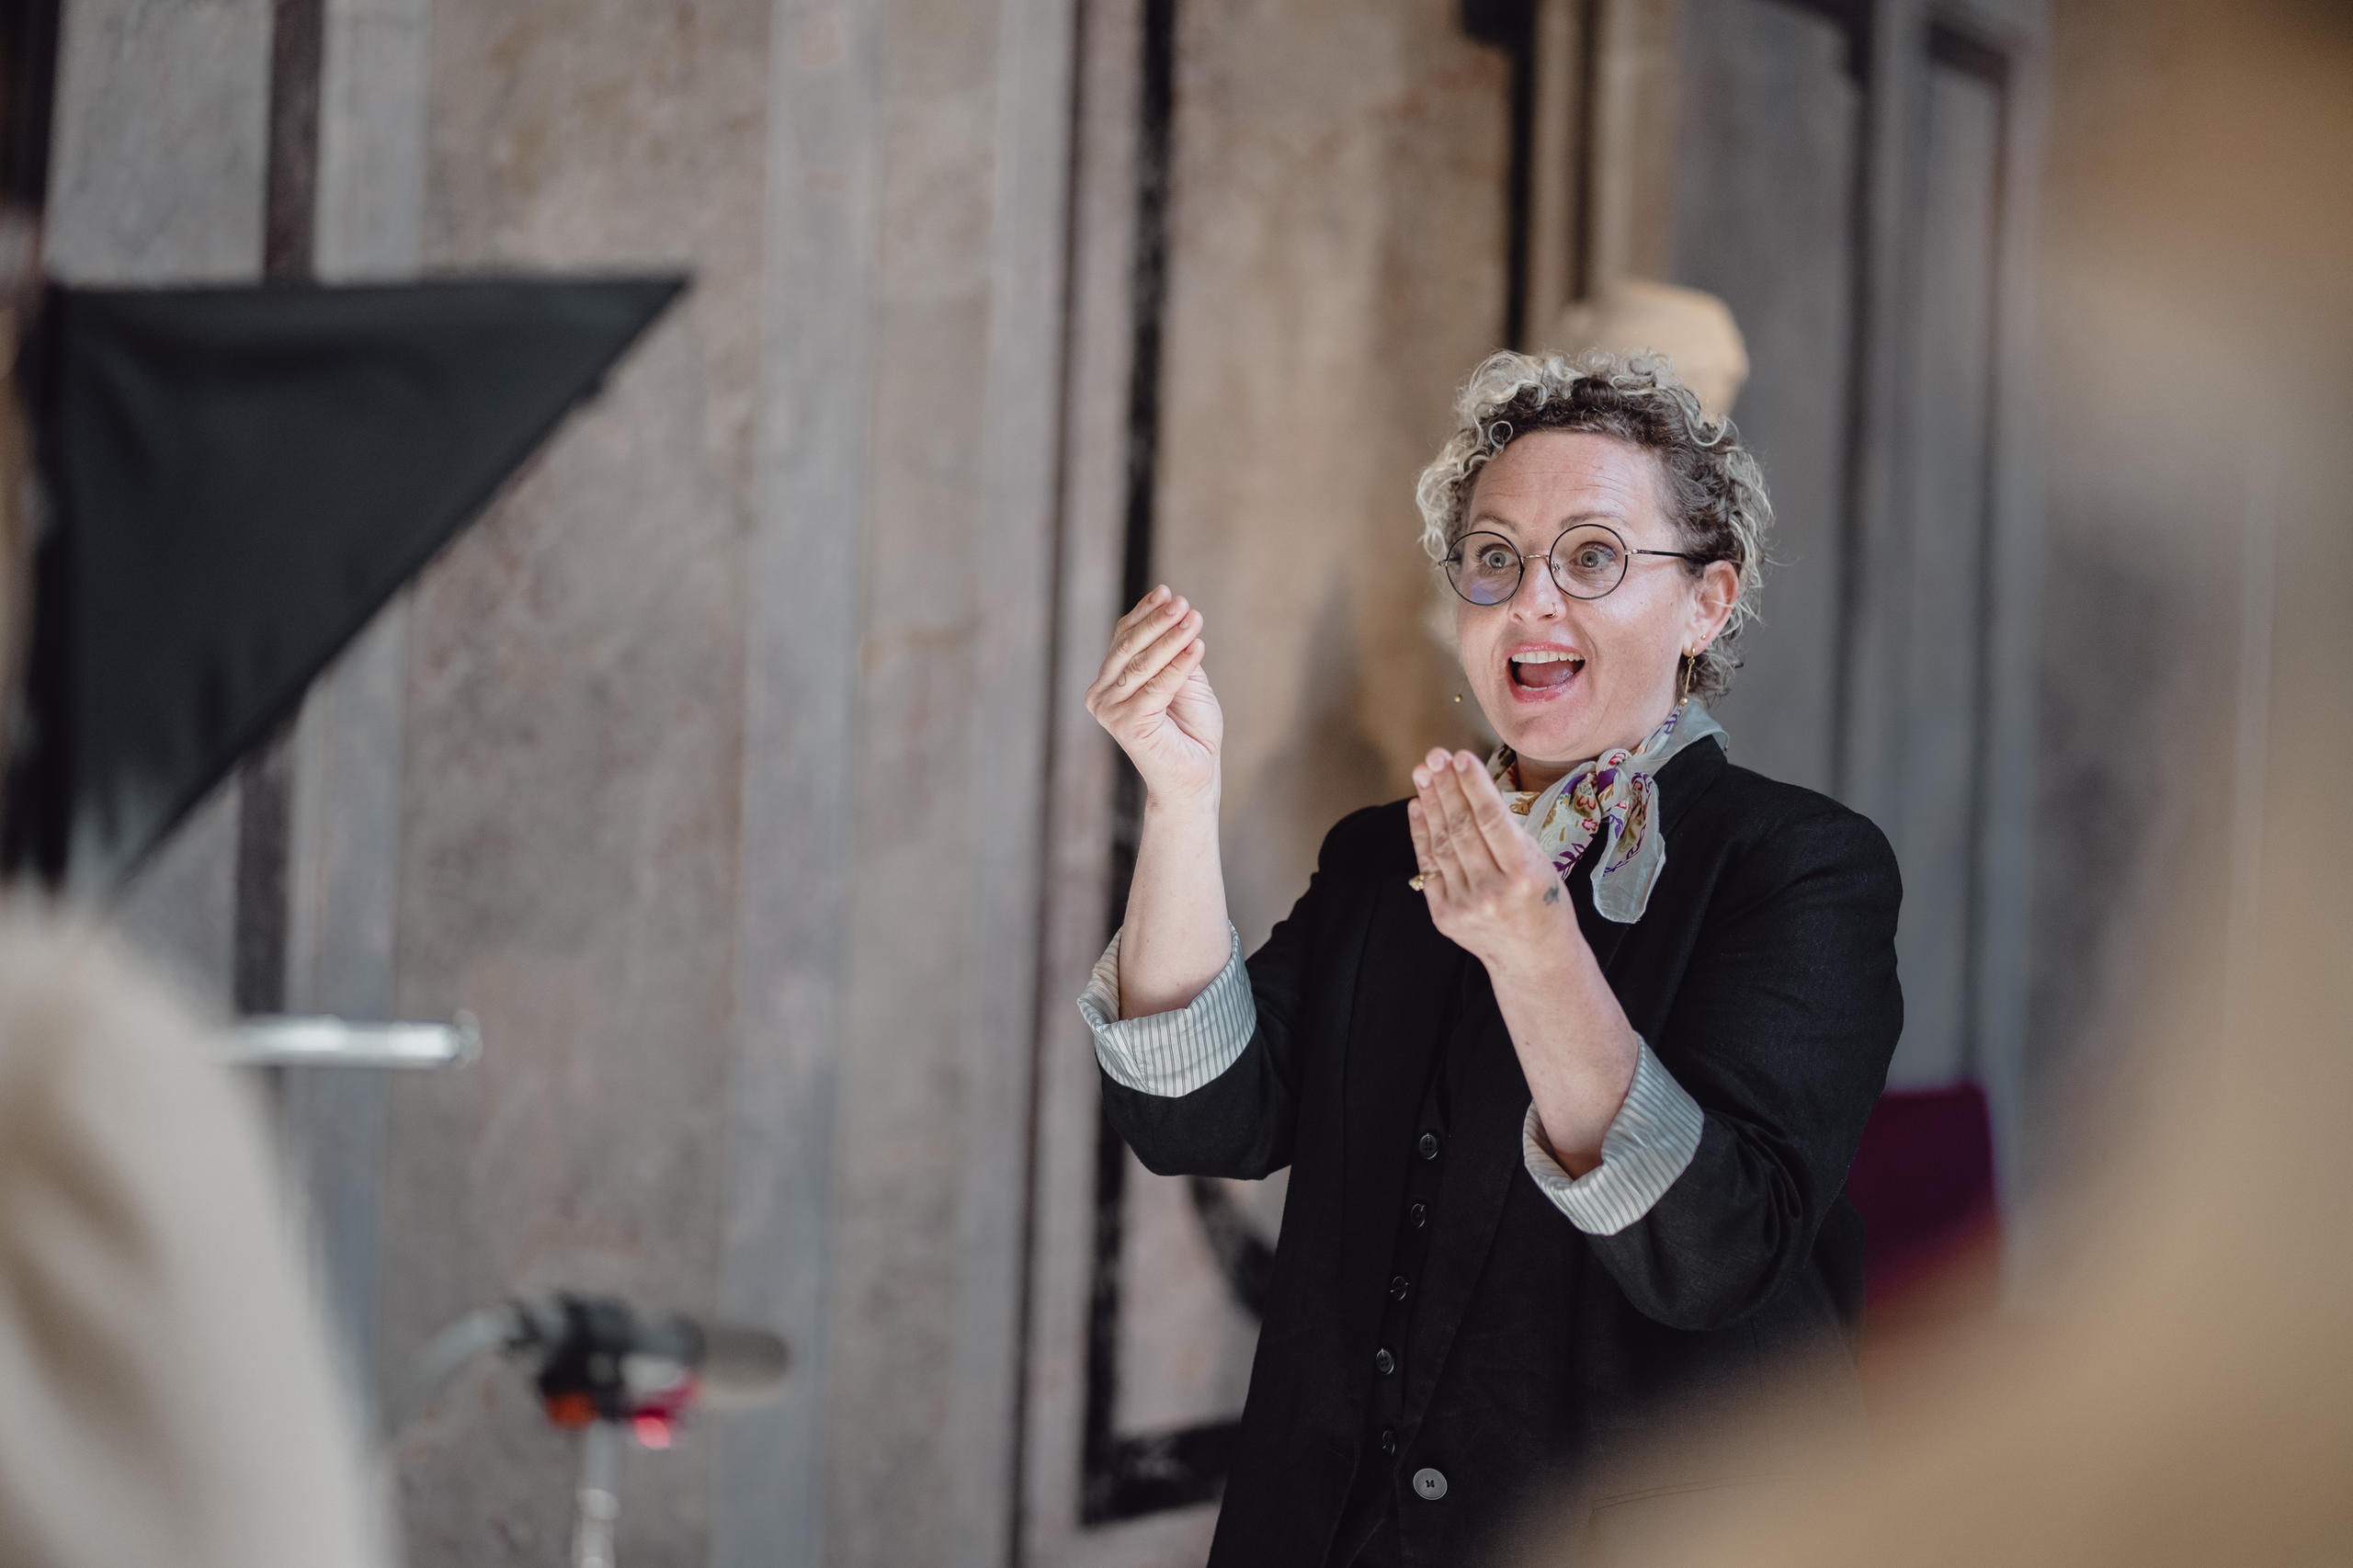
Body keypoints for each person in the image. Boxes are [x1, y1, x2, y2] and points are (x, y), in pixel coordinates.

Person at [1079, 350, 1903, 1567]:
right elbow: (1197, 1118)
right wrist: (1179, 799)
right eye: (1495, 559)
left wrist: (1537, 953)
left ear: (1707, 603)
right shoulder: (1383, 855)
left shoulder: (1799, 865)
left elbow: (1717, 1254)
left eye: (1593, 557)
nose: (1532, 602)